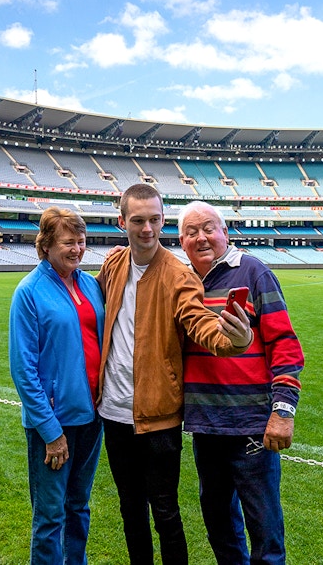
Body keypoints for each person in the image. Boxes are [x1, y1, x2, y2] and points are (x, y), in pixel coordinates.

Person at [96, 184, 253, 565]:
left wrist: (231, 338)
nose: (147, 229)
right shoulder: (113, 265)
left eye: (154, 220)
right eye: (138, 221)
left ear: (163, 221)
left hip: (159, 418)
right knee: (130, 511)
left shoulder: (178, 274)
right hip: (113, 415)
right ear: (122, 222)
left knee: (165, 514)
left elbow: (198, 320)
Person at [178, 200, 305, 565]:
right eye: (191, 231)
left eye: (208, 228)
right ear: (181, 241)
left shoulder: (253, 272)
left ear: (225, 233)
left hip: (251, 427)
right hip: (206, 428)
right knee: (219, 526)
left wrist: (282, 411)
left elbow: (286, 345)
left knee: (264, 531)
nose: (201, 237)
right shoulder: (183, 283)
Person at [9, 207, 105, 565]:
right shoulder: (29, 292)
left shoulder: (90, 284)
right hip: (53, 425)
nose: (77, 249)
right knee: (50, 515)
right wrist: (50, 431)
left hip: (92, 418)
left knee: (79, 506)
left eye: (81, 241)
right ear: (46, 245)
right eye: (68, 242)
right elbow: (24, 370)